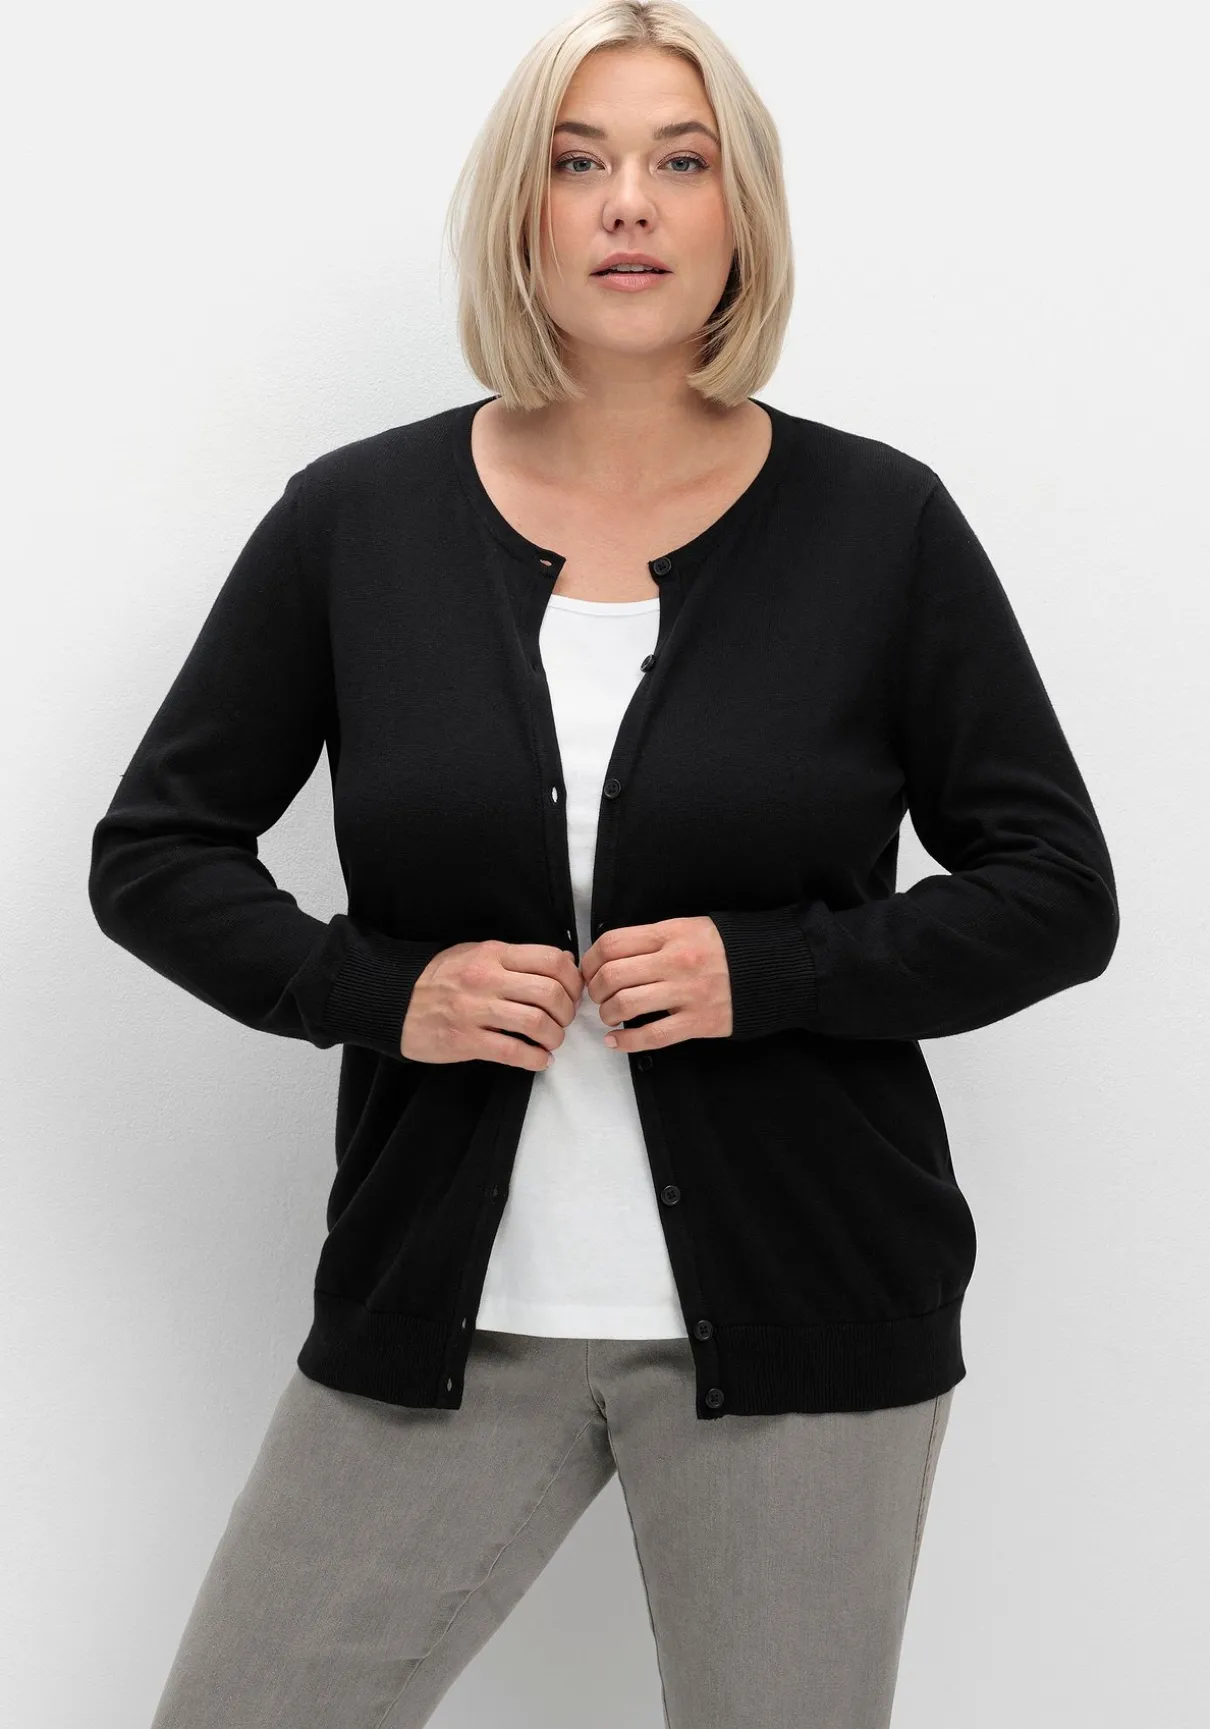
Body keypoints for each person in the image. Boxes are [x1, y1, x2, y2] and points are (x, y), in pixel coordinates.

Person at [89, 4, 1119, 1726]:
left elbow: (1054, 889)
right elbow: (156, 852)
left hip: (805, 1329)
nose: (627, 201)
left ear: (739, 212)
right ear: (523, 211)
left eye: (678, 160)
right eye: (579, 163)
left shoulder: (879, 528)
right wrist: (383, 993)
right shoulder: (357, 525)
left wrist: (766, 971)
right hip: (440, 1318)